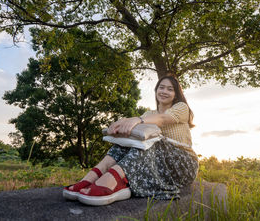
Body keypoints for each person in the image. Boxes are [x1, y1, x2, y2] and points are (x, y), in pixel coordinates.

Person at [63, 74, 199, 206]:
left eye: (170, 89)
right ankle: (90, 179)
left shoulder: (181, 107)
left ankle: (112, 180)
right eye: (161, 87)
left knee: (152, 141)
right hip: (159, 164)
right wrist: (120, 126)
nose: (164, 91)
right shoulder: (148, 114)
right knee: (127, 142)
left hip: (183, 163)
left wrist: (136, 120)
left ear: (176, 94)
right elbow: (133, 137)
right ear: (156, 90)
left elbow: (163, 119)